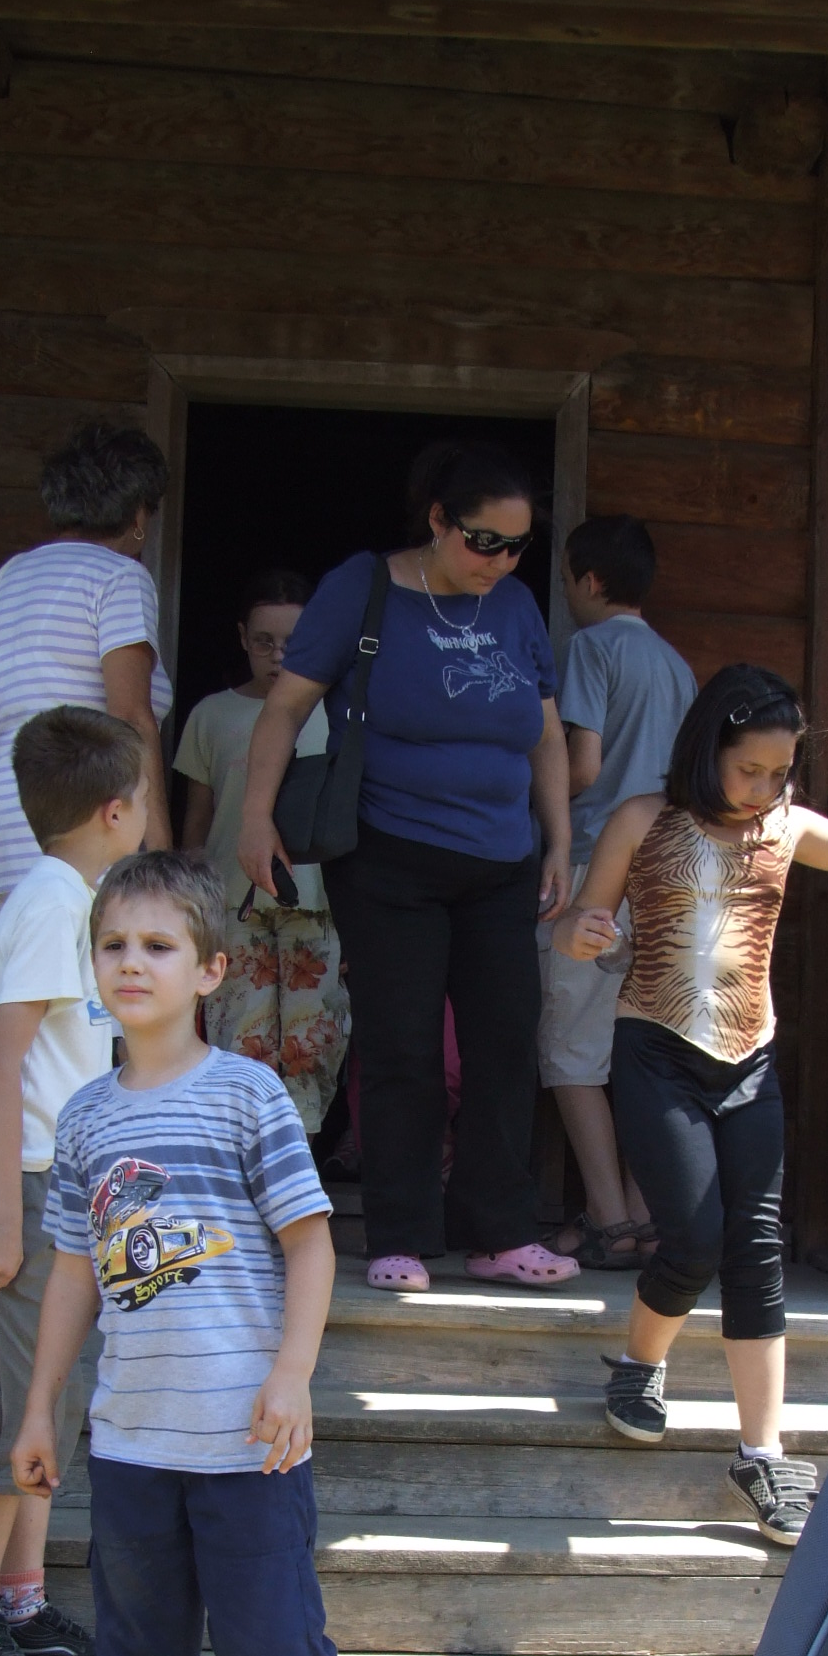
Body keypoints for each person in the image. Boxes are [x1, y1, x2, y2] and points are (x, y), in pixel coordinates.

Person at [10, 851, 372, 1656]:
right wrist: (41, 1406)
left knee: (273, 1650)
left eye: (159, 946)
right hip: (130, 1446)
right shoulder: (84, 1119)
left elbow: (311, 1245)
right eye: (113, 945)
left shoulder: (248, 1096)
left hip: (247, 1448)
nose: (133, 963)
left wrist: (293, 1373)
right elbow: (73, 1273)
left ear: (211, 970)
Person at [555, 666, 828, 1543]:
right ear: (707, 749)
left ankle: (762, 1453)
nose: (764, 787)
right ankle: (639, 1362)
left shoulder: (786, 827)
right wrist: (580, 931)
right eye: (749, 769)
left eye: (781, 772)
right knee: (694, 1237)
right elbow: (581, 923)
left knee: (756, 1248)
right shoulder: (642, 819)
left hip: (749, 1058)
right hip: (656, 1050)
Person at [236, 439, 580, 1295]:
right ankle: (399, 1234)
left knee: (506, 1045)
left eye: (516, 546)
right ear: (437, 519)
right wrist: (254, 817)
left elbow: (545, 734)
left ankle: (500, 1234)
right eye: (482, 541)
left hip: (502, 860)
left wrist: (560, 839)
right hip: (390, 855)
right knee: (402, 1047)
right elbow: (284, 708)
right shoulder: (363, 586)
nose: (499, 561)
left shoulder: (516, 606)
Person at [0, 707, 152, 1656]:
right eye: (142, 797)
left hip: (60, 1187)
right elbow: (4, 1061)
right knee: (17, 1402)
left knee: (51, 1401)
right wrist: (8, 1221)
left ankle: (21, 1600)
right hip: (11, 1182)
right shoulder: (54, 905)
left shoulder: (78, 899)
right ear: (114, 810)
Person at [541, 513, 698, 1270]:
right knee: (644, 1046)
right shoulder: (677, 666)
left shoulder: (591, 647)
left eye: (567, 579)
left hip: (597, 865)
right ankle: (646, 1211)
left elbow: (583, 766)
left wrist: (531, 801)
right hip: (667, 875)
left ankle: (610, 1219)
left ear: (591, 580)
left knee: (570, 1045)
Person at [0, 419, 175, 937]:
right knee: (96, 985)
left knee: (17, 981)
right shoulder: (120, 577)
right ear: (139, 514)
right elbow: (130, 716)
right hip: (88, 819)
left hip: (5, 815)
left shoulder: (11, 576)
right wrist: (162, 854)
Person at [175, 568, 351, 1135]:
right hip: (233, 905)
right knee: (239, 1042)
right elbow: (197, 822)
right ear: (241, 639)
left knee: (312, 1045)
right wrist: (189, 909)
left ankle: (298, 1164)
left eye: (293, 644)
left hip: (318, 904)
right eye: (263, 642)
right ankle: (242, 1163)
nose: (277, 656)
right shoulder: (211, 714)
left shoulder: (334, 711)